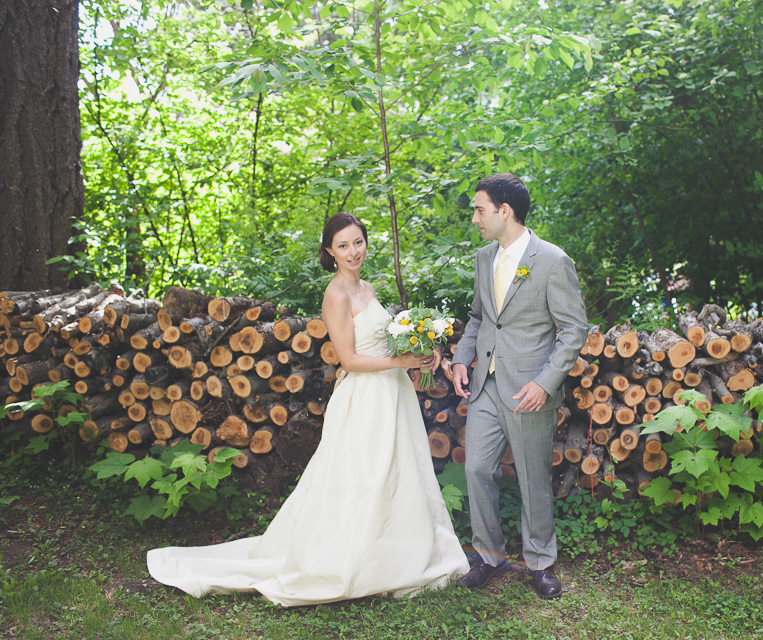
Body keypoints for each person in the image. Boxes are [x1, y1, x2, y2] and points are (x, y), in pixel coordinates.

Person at [147, 212, 469, 607]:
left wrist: (417, 351)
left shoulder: (367, 287)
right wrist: (402, 364)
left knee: (400, 472)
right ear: (329, 252)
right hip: (366, 398)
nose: (353, 251)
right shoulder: (336, 295)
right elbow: (349, 360)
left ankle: (405, 556)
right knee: (365, 478)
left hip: (393, 395)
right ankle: (355, 561)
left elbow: (383, 344)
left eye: (358, 242)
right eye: (343, 245)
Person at [451, 173, 588, 599]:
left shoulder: (551, 260)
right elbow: (478, 318)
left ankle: (540, 562)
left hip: (529, 389)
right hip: (486, 386)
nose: (475, 217)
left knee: (532, 478)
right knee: (475, 469)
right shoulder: (482, 259)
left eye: (479, 209)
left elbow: (574, 329)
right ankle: (490, 557)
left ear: (503, 211)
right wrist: (460, 358)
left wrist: (545, 383)